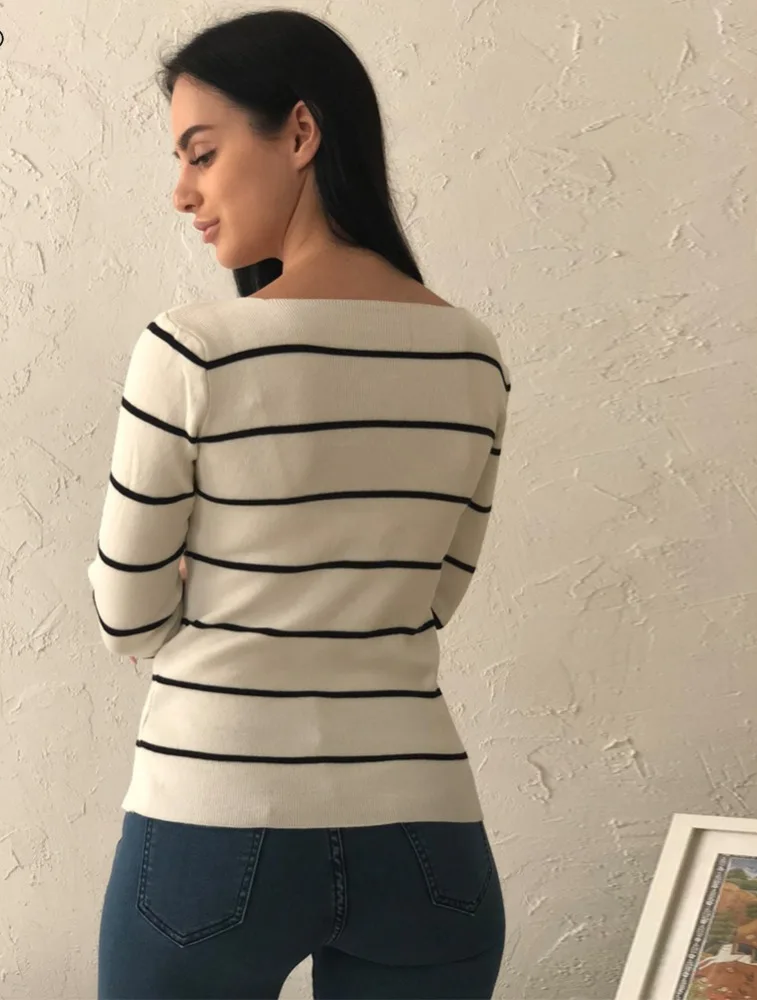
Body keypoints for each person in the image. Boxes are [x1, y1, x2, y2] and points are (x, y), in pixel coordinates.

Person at [88, 9, 511, 998]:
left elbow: (126, 617)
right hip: (428, 835)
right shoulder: (472, 353)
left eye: (202, 152)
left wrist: (208, 577)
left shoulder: (194, 349)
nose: (182, 191)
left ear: (301, 132)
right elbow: (432, 597)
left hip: (213, 816)